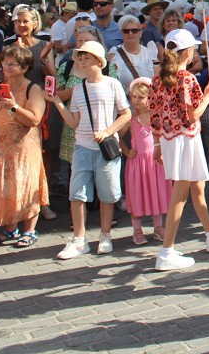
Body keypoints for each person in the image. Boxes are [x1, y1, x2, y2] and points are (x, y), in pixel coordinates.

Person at [148, 30, 209, 270]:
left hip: (172, 139)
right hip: (185, 139)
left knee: (197, 187)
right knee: (180, 194)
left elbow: (154, 115)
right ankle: (166, 250)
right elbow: (192, 114)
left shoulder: (157, 78)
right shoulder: (187, 79)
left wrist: (157, 143)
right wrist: (208, 96)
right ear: (188, 52)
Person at [49, 41, 132, 259]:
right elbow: (73, 121)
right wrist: (57, 102)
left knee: (107, 194)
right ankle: (79, 239)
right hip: (82, 146)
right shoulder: (78, 89)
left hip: (106, 148)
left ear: (98, 61)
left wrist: (108, 131)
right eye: (81, 58)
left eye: (87, 57)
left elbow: (126, 114)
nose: (83, 62)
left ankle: (105, 235)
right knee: (76, 194)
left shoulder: (113, 84)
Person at [0, 45, 48, 249]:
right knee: (4, 188)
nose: (7, 66)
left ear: (24, 67)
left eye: (13, 64)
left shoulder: (33, 88)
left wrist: (13, 105)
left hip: (23, 149)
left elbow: (34, 120)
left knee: (26, 186)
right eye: (5, 62)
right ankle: (11, 229)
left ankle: (29, 229)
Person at [121, 78, 170, 246]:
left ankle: (158, 227)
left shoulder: (157, 116)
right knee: (138, 195)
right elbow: (118, 136)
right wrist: (127, 151)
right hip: (138, 164)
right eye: (133, 97)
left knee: (155, 193)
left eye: (140, 97)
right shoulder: (131, 119)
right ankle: (137, 230)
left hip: (155, 162)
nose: (136, 101)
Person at [108, 15, 158, 92]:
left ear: (140, 32)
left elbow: (157, 80)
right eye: (126, 31)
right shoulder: (114, 54)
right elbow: (110, 80)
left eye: (134, 30)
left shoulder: (150, 53)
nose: (130, 33)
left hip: (147, 100)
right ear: (121, 33)